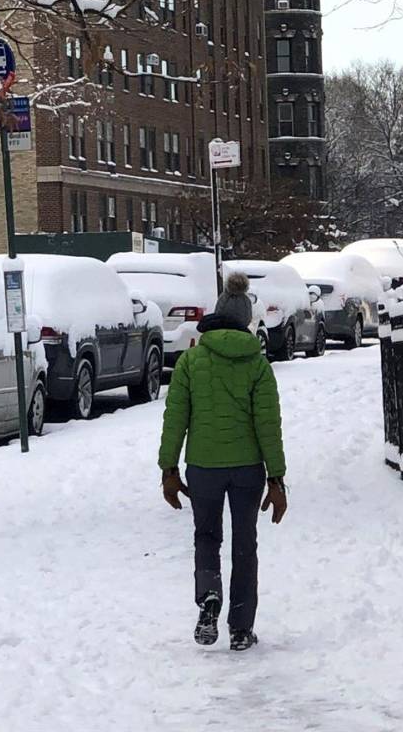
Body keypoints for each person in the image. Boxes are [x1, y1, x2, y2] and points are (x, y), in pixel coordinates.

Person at [158, 271, 287, 652]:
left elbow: (175, 418)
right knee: (245, 545)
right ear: (247, 318)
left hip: (203, 468)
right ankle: (241, 627)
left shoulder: (190, 361)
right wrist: (276, 478)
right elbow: (268, 424)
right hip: (247, 469)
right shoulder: (257, 364)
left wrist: (169, 469)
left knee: (206, 536)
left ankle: (209, 596)